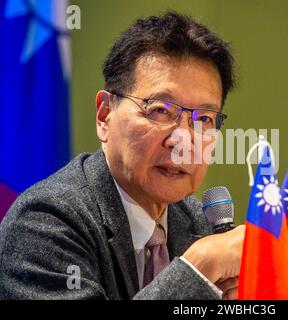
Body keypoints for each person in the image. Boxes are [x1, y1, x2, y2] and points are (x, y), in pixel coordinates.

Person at [0, 12, 245, 300]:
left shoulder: (194, 220)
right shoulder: (43, 223)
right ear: (105, 115)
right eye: (160, 110)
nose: (184, 140)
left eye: (204, 118)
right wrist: (199, 267)